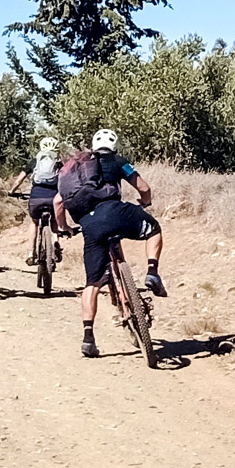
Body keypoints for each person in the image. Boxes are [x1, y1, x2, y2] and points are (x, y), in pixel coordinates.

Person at [54, 127, 165, 356]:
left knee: (92, 284)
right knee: (154, 229)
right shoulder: (118, 161)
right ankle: (152, 272)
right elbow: (143, 187)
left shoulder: (73, 170)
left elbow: (57, 202)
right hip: (115, 211)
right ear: (114, 146)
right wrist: (145, 203)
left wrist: (65, 227)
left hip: (89, 225)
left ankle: (88, 338)